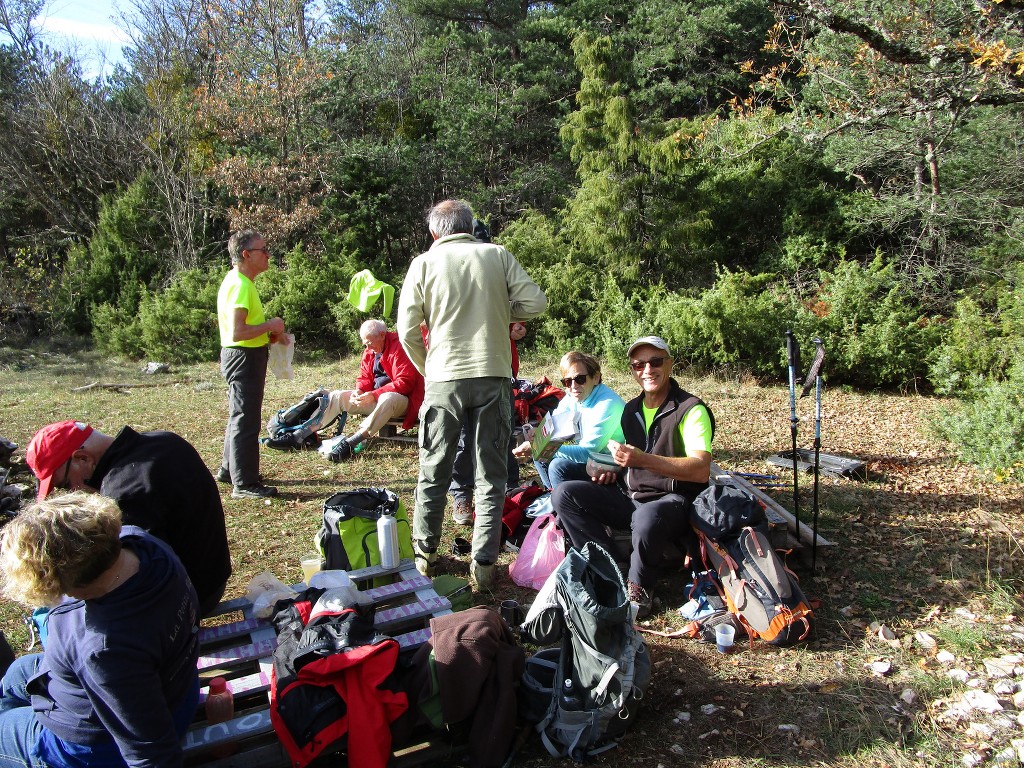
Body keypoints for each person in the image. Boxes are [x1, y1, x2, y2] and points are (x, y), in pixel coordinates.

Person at [397, 199, 547, 589]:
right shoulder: (496, 255)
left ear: (435, 232)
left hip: (444, 378)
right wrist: (503, 308)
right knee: (491, 473)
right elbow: (536, 302)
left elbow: (406, 329)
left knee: (434, 470)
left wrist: (428, 368)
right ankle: (483, 565)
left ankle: (425, 556)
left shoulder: (423, 264)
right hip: (493, 375)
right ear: (470, 225)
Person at [0, 492, 201, 768]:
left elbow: (152, 753)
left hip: (95, 746)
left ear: (55, 581)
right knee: (17, 673)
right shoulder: (142, 545)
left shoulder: (102, 645)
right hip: (176, 684)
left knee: (4, 727)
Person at [551, 336, 714, 619]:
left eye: (655, 362)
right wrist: (604, 469)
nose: (647, 370)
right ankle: (608, 567)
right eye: (639, 364)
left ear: (670, 364)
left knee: (646, 518)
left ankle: (640, 587)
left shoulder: (691, 410)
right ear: (633, 370)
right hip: (631, 495)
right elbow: (623, 460)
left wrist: (642, 459)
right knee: (563, 493)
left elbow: (700, 469)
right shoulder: (631, 410)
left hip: (673, 500)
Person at [25, 419, 232, 616]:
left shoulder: (123, 493)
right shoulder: (164, 439)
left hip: (194, 598)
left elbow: (143, 577)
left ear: (83, 458)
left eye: (65, 485)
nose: (73, 492)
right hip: (215, 576)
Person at [217, 229, 286, 499]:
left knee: (240, 416)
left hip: (244, 355)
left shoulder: (238, 281)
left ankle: (229, 470)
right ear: (246, 254)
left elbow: (243, 330)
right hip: (243, 357)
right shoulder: (240, 285)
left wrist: (271, 335)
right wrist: (270, 325)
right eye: (263, 250)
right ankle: (244, 484)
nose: (268, 254)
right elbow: (238, 331)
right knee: (245, 420)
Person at [449, 322, 527, 525]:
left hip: (498, 367)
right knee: (465, 438)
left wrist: (514, 325)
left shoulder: (493, 287)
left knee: (504, 432)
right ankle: (462, 494)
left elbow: (512, 304)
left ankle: (509, 489)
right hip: (460, 367)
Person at [513, 351, 626, 489]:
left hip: (609, 468)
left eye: (580, 379)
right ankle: (555, 498)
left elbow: (586, 454)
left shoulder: (607, 405)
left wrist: (538, 446)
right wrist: (538, 434)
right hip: (592, 461)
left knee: (557, 466)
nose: (573, 386)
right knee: (541, 455)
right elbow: (553, 425)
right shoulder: (573, 396)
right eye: (567, 381)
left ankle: (565, 504)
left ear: (596, 378)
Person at [324, 319, 425, 461]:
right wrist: (359, 391)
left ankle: (352, 442)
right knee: (337, 396)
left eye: (369, 342)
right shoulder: (370, 350)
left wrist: (374, 394)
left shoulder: (400, 346)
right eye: (365, 343)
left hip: (403, 402)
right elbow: (365, 377)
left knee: (388, 398)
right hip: (376, 399)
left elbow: (405, 383)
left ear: (382, 335)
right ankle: (304, 434)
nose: (367, 346)